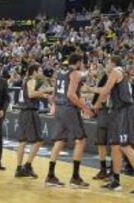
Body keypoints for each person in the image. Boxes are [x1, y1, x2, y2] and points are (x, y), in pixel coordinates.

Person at [94, 55, 134, 194]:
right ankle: (116, 180)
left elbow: (105, 91)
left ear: (113, 63)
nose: (106, 64)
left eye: (107, 62)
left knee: (125, 146)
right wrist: (90, 90)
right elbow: (104, 91)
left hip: (124, 111)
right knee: (115, 147)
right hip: (117, 112)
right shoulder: (117, 73)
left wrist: (96, 104)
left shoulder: (116, 71)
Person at [45, 54, 93, 188]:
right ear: (78, 63)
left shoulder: (60, 73)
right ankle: (75, 177)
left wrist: (54, 107)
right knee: (81, 140)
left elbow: (53, 96)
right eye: (82, 63)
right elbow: (71, 95)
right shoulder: (76, 73)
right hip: (69, 109)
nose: (82, 66)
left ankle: (50, 176)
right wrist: (84, 107)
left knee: (60, 141)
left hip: (60, 108)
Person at [14, 64, 49, 179]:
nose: (41, 72)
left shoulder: (26, 80)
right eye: (40, 70)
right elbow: (31, 94)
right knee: (38, 140)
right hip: (30, 112)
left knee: (23, 141)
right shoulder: (32, 80)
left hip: (23, 112)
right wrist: (43, 94)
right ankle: (27, 166)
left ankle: (19, 169)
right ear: (34, 72)